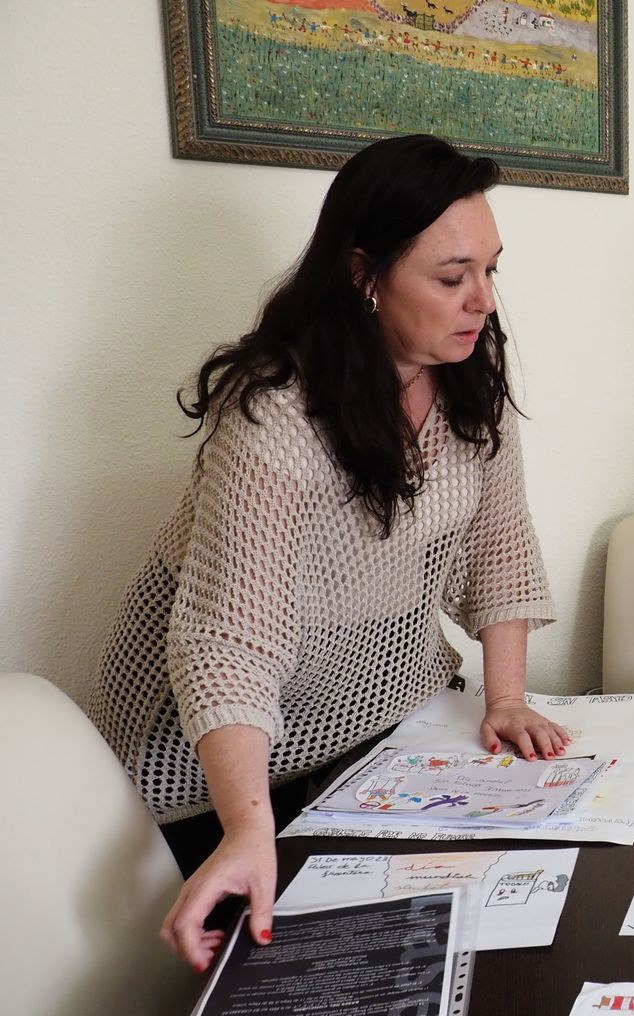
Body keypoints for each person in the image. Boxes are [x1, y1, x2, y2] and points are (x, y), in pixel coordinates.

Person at [86, 134, 565, 971]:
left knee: (423, 944)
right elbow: (230, 642)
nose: (483, 302)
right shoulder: (275, 414)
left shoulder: (467, 376)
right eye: (452, 278)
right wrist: (245, 826)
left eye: (490, 270)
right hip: (216, 754)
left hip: (369, 711)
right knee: (265, 967)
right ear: (363, 273)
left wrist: (507, 697)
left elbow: (500, 545)